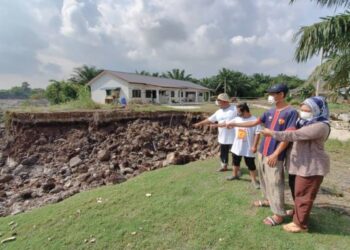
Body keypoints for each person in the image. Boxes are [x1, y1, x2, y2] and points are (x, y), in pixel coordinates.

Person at [224, 83, 298, 226]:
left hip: (274, 155)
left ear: (281, 95)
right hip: (262, 152)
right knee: (264, 180)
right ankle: (268, 200)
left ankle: (278, 214)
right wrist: (233, 124)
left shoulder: (291, 112)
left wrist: (276, 154)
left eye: (273, 94)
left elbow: (288, 136)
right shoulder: (269, 112)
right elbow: (254, 123)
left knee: (275, 182)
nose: (270, 96)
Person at [261, 96, 330, 233]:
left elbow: (294, 135)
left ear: (317, 111)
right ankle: (298, 215)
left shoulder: (321, 126)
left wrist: (271, 133)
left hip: (311, 167)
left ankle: (300, 225)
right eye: (301, 109)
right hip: (298, 166)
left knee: (304, 196)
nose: (303, 112)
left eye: (307, 110)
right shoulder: (303, 122)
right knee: (297, 194)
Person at [193, 93, 237, 172]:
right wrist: (199, 123)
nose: (218, 104)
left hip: (234, 136)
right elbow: (210, 119)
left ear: (224, 101)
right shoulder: (219, 112)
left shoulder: (234, 109)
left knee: (235, 154)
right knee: (223, 153)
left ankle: (236, 169)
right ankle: (224, 166)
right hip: (223, 137)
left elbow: (238, 121)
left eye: (219, 102)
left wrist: (217, 125)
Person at [225, 103, 261, 189]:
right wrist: (228, 126)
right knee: (235, 162)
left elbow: (257, 134)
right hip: (237, 146)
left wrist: (254, 146)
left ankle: (254, 181)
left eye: (239, 112)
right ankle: (235, 175)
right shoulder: (237, 119)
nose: (237, 113)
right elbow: (229, 125)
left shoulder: (254, 120)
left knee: (251, 164)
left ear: (244, 111)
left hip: (248, 147)